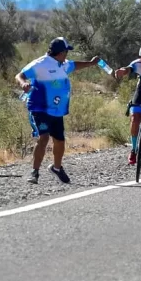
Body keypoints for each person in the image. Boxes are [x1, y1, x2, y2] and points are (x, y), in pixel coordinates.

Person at [16, 37, 101, 184]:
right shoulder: (41, 63)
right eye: (67, 51)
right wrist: (23, 83)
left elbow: (75, 65)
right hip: (40, 108)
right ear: (61, 52)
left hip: (57, 110)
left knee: (60, 141)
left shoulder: (63, 64)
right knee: (44, 137)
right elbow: (20, 75)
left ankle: (56, 167)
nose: (67, 55)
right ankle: (34, 172)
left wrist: (92, 63)